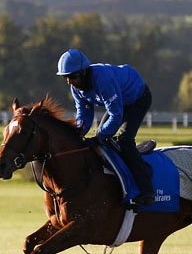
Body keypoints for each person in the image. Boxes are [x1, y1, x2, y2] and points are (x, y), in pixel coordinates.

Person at [56, 48, 155, 206]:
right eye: (66, 78)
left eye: (72, 76)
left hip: (138, 99)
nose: (69, 81)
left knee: (124, 140)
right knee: (101, 137)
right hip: (120, 102)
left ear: (83, 72)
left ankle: (147, 190)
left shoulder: (103, 80)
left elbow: (116, 115)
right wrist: (77, 134)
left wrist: (100, 135)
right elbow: (84, 115)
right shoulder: (76, 88)